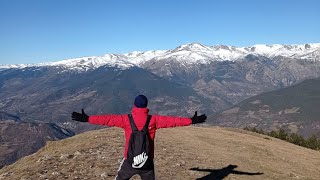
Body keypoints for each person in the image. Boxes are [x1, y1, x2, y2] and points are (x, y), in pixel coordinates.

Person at [71, 94, 207, 180]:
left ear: (135, 105)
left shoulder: (125, 119)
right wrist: (192, 120)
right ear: (146, 106)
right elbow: (174, 121)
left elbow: (107, 119)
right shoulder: (154, 120)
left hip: (129, 161)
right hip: (147, 161)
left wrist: (87, 118)